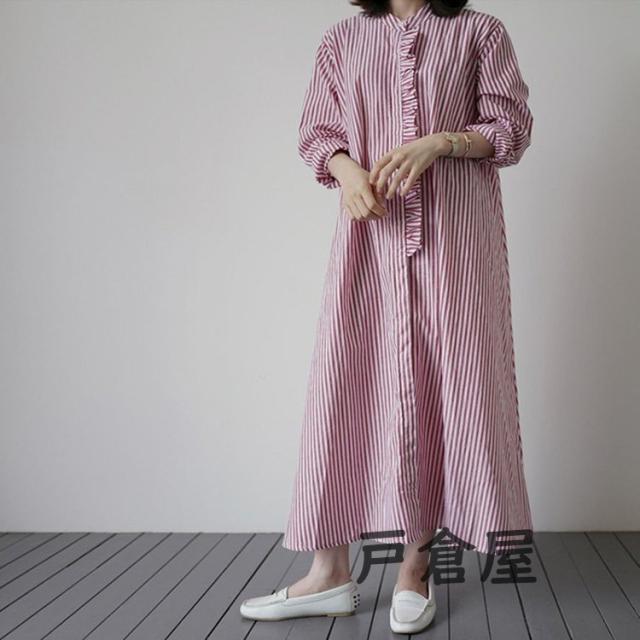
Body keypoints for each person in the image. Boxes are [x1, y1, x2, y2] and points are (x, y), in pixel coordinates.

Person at [240, 0, 534, 633]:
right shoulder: (343, 38)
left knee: (441, 389)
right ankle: (329, 573)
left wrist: (441, 142)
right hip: (368, 238)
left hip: (456, 244)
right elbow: (318, 133)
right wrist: (346, 171)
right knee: (344, 387)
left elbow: (511, 128)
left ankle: (414, 571)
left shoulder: (478, 31)